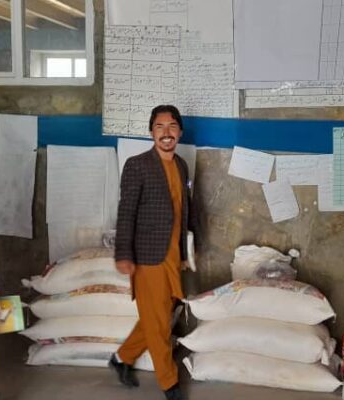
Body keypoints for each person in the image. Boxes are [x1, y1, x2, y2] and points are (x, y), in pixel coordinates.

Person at [109, 105, 194, 400]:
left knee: (160, 314)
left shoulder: (181, 165)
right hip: (147, 255)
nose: (166, 133)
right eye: (159, 127)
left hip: (171, 256)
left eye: (172, 126)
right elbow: (126, 212)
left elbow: (185, 211)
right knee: (158, 324)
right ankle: (170, 384)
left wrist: (184, 253)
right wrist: (123, 254)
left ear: (180, 132)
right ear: (151, 132)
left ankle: (122, 357)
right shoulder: (137, 165)